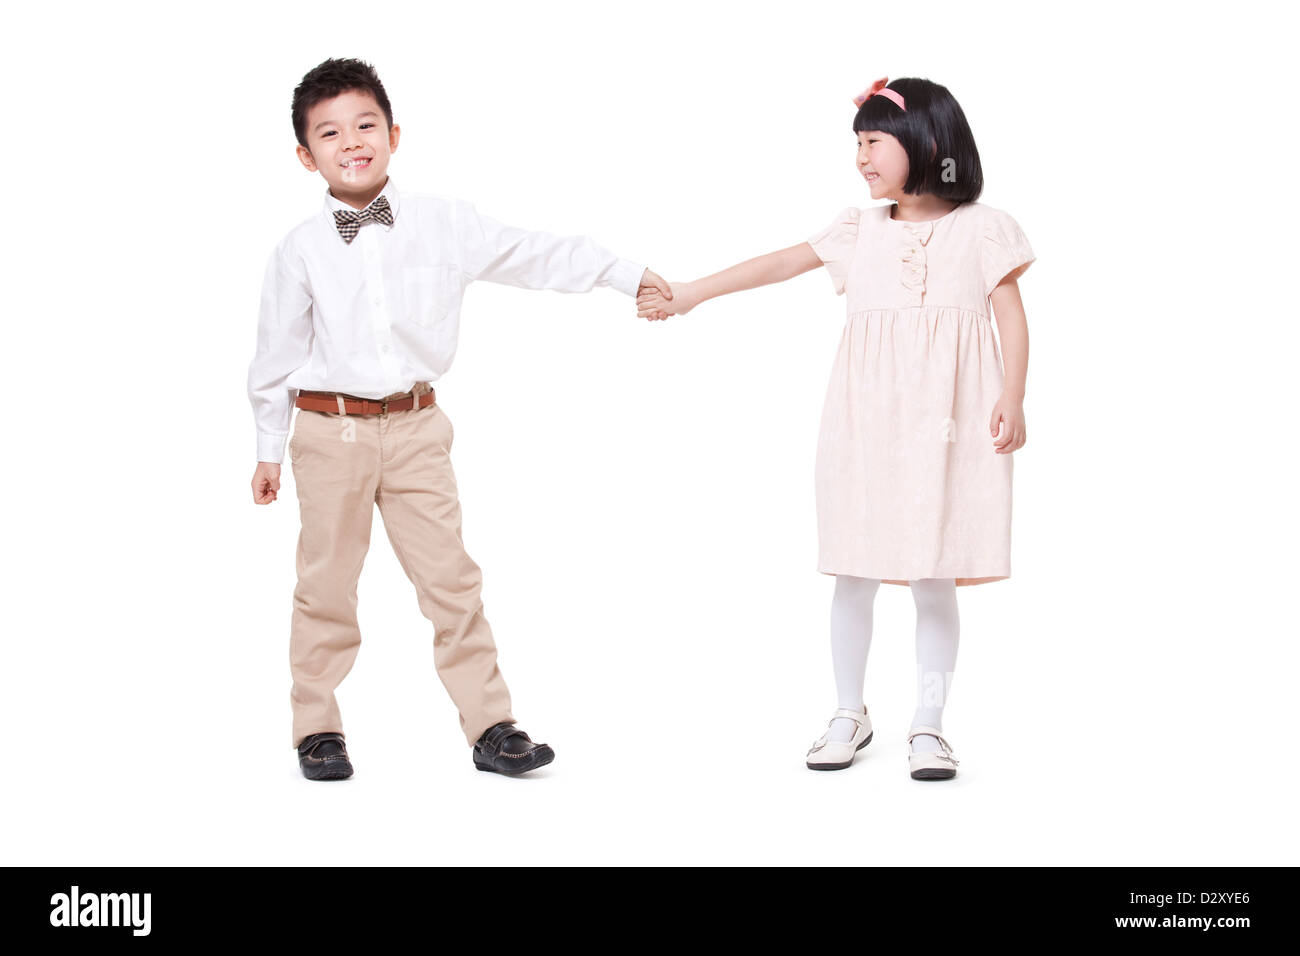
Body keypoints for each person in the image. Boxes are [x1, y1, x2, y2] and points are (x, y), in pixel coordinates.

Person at [248, 57, 672, 780]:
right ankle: (316, 727)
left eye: (365, 125)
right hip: (330, 432)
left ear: (393, 133)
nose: (352, 142)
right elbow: (276, 353)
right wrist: (269, 446)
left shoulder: (445, 223)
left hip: (416, 429)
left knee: (451, 579)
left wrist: (621, 272)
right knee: (326, 583)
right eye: (330, 133)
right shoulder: (299, 251)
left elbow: (532, 252)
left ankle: (492, 725)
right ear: (305, 154)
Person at [637, 76, 1034, 780]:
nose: (861, 157)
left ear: (929, 141)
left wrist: (1013, 394)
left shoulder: (983, 226)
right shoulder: (859, 228)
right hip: (865, 423)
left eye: (873, 141)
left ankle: (928, 723)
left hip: (947, 426)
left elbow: (1008, 311)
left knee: (932, 574)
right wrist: (694, 293)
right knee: (853, 569)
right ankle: (849, 710)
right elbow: (781, 262)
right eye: (857, 143)